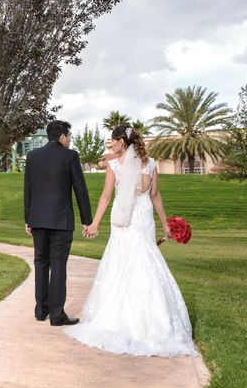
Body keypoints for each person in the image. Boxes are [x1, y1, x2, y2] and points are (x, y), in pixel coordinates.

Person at [65, 124, 196, 356]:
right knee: (140, 262)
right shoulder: (149, 163)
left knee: (131, 262)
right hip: (140, 220)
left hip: (134, 223)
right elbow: (153, 195)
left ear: (121, 142)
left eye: (112, 142)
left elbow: (107, 196)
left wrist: (95, 223)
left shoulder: (116, 165)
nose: (111, 145)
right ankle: (147, 320)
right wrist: (164, 224)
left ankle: (129, 321)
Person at [24, 120, 92, 326]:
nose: (70, 140)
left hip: (38, 220)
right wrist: (86, 220)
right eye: (69, 136)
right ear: (62, 136)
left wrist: (28, 219)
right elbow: (80, 189)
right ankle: (56, 314)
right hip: (61, 221)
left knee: (41, 263)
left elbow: (28, 189)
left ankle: (40, 310)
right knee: (59, 265)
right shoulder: (70, 156)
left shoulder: (33, 156)